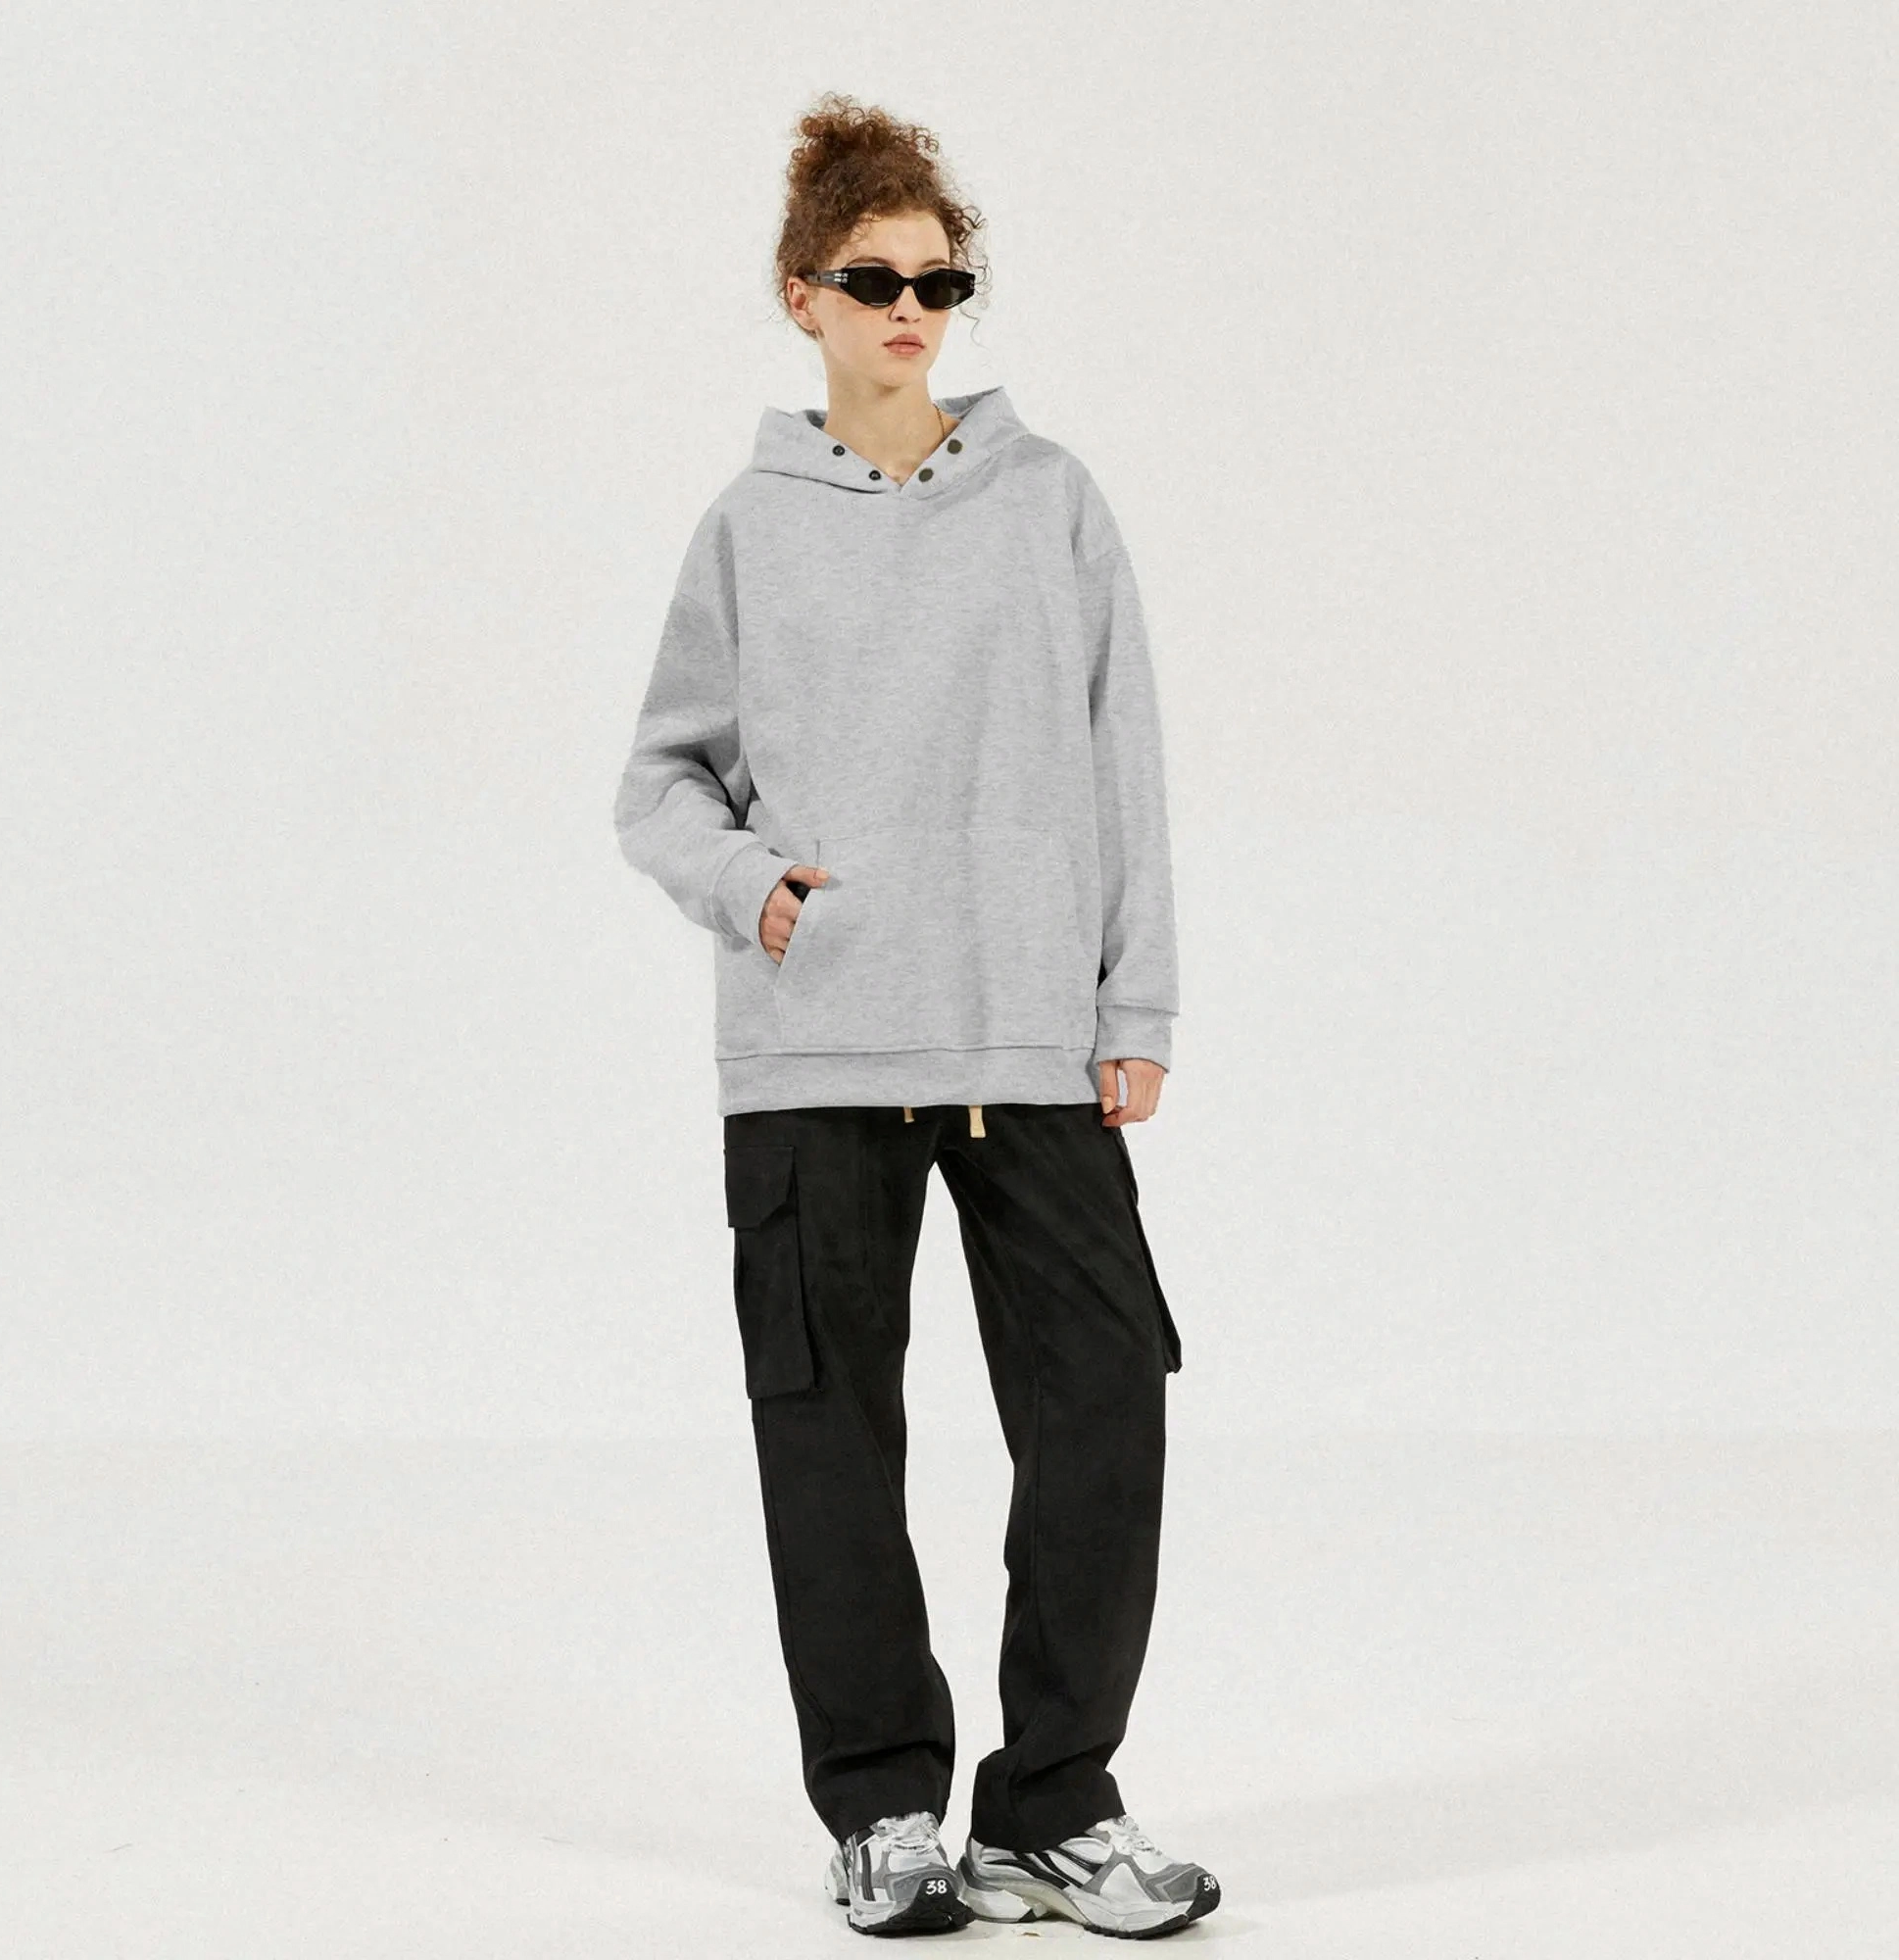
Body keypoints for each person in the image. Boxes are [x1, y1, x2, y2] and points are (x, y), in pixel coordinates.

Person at [612, 93, 1219, 1939]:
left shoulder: (1052, 500)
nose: (909, 310)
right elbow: (660, 785)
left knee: (1104, 1400)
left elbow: (1124, 762)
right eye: (874, 280)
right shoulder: (748, 528)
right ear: (801, 294)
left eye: (939, 281)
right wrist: (757, 889)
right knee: (829, 1440)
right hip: (816, 1048)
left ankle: (1053, 1808)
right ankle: (883, 1811)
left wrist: (1135, 996)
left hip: (1028, 1038)